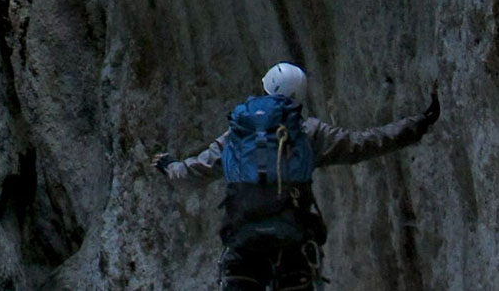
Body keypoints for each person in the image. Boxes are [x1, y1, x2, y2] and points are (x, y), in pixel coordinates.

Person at [152, 63, 439, 290]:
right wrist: (419, 123)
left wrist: (168, 167)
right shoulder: (309, 132)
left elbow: (193, 172)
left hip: (243, 242)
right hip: (292, 242)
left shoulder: (238, 133)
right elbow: (365, 143)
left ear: (266, 88)